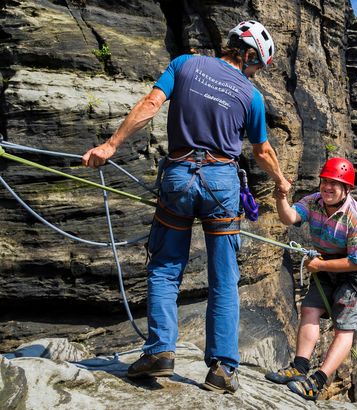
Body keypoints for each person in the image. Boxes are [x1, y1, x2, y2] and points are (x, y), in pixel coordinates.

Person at [82, 20, 291, 394]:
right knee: (224, 278)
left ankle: (161, 350)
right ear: (246, 55)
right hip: (222, 184)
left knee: (165, 268)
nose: (257, 72)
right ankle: (223, 370)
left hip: (179, 176)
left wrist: (110, 146)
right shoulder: (252, 96)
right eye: (258, 64)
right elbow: (262, 151)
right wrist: (280, 180)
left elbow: (150, 104)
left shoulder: (183, 64)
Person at [265, 157, 357, 401]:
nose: (327, 187)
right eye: (325, 181)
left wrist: (321, 265)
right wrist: (281, 197)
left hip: (354, 274)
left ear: (346, 189)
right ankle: (299, 368)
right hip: (325, 265)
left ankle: (317, 381)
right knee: (309, 310)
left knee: (344, 327)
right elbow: (290, 217)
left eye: (334, 184)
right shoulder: (313, 202)